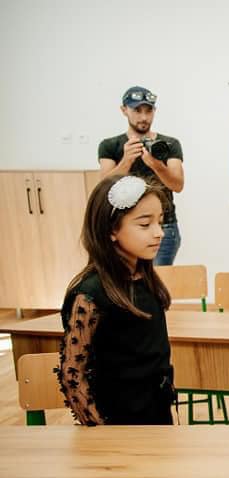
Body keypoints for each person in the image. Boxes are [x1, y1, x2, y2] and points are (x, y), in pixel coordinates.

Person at [56, 175, 176, 425]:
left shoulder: (145, 280)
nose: (159, 233)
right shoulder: (89, 294)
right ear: (111, 230)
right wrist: (102, 435)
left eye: (160, 222)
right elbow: (73, 376)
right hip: (117, 427)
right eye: (145, 224)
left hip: (156, 418)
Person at [98, 86, 184, 266]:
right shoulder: (110, 145)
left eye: (148, 111)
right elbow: (103, 188)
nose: (144, 117)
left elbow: (177, 185)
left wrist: (156, 165)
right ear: (124, 110)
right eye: (137, 110)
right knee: (125, 277)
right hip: (124, 226)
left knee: (157, 278)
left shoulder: (169, 144)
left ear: (154, 111)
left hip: (164, 225)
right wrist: (126, 160)